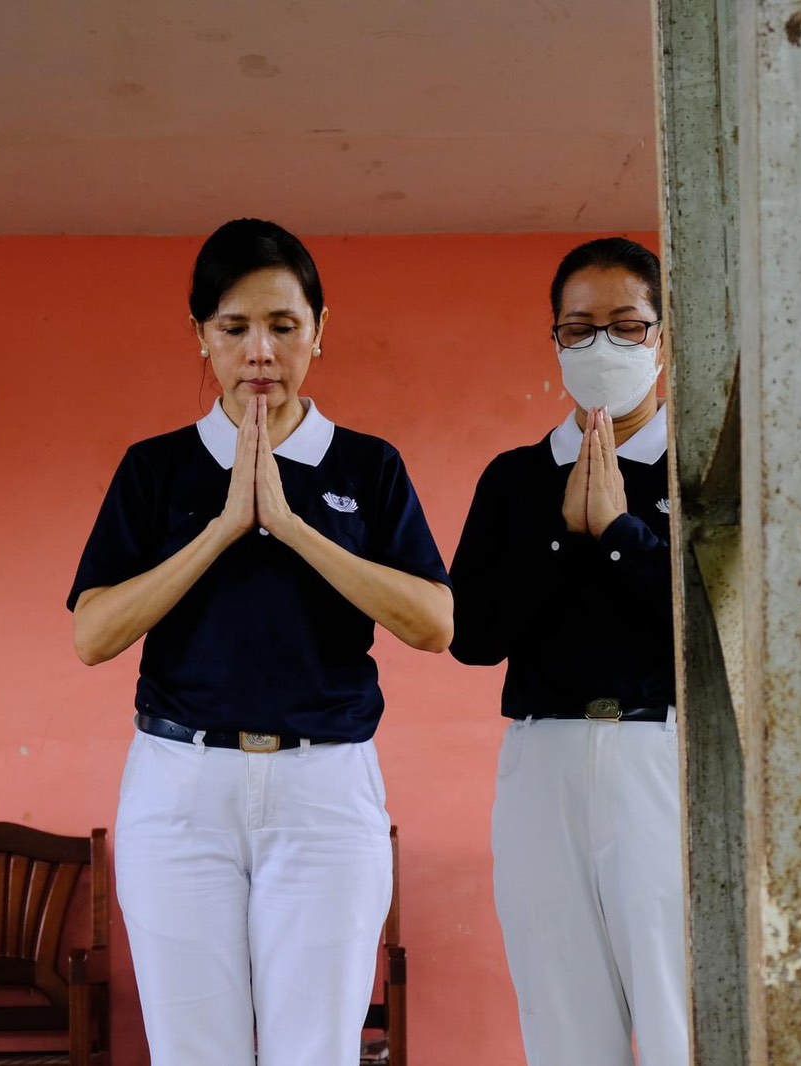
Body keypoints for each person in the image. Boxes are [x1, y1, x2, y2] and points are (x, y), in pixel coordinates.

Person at [68, 218, 452, 1066]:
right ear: (200, 336)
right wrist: (223, 528)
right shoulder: (155, 469)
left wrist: (291, 524)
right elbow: (91, 635)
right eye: (234, 328)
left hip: (325, 791)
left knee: (315, 1051)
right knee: (192, 1050)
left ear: (321, 328)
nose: (260, 352)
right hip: (179, 790)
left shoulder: (367, 467)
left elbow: (434, 623)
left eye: (284, 325)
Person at [448, 237, 685, 1065]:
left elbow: (713, 627)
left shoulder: (698, 473)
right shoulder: (515, 479)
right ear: (554, 340)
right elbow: (472, 637)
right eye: (579, 329)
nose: (602, 348)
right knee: (560, 1007)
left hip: (663, 755)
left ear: (664, 333)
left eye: (626, 325)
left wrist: (620, 534)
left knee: (676, 1004)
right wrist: (559, 534)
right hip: (540, 758)